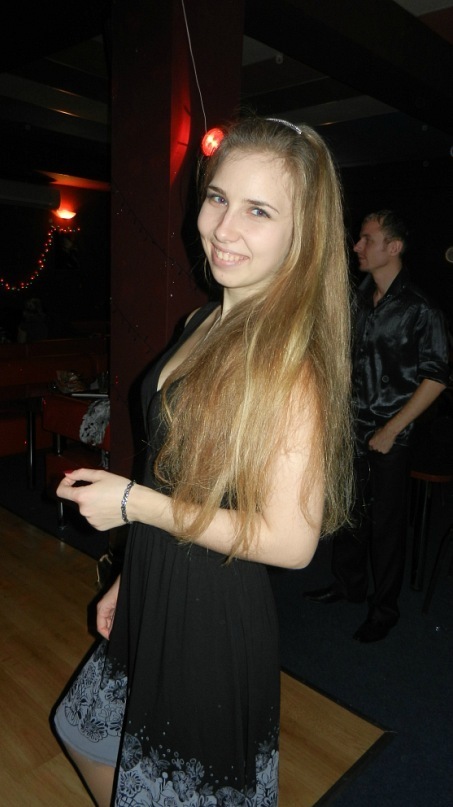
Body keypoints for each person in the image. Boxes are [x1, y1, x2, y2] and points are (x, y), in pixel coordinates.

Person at [51, 115, 353, 806]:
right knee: (84, 731)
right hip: (157, 576)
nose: (222, 228)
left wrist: (133, 505)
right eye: (217, 197)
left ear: (302, 234)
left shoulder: (289, 366)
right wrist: (129, 579)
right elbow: (169, 470)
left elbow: (290, 542)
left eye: (258, 211)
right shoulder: (201, 322)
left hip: (210, 614)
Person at [304, 210, 450, 643]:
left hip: (392, 433)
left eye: (367, 239)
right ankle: (349, 585)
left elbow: (437, 377)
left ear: (394, 247)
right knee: (349, 512)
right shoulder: (359, 299)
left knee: (386, 526)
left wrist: (392, 429)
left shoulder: (421, 308)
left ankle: (384, 609)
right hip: (351, 425)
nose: (357, 246)